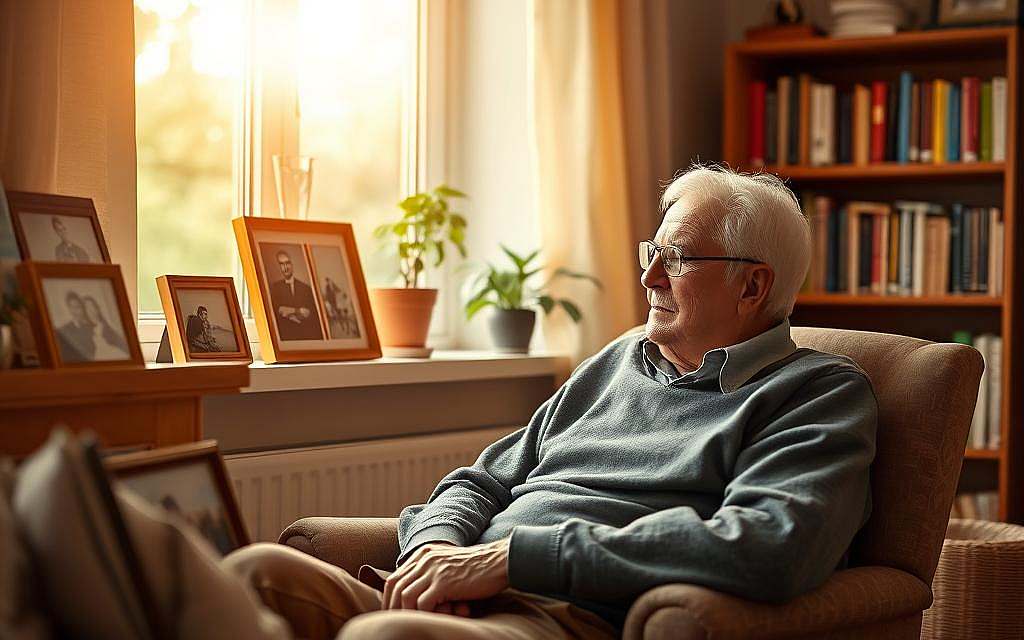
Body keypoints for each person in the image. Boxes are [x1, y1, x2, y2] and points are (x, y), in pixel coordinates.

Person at [224, 164, 878, 640]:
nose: (648, 275)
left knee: (385, 639)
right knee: (252, 572)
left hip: (562, 618)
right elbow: (480, 480)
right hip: (456, 597)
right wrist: (435, 554)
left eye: (675, 259)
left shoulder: (816, 395)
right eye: (652, 252)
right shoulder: (618, 362)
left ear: (752, 285)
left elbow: (768, 546)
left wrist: (510, 559)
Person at [268, 249, 323, 341]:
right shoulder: (275, 288)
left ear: (292, 264)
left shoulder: (305, 288)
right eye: (282, 264)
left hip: (304, 336)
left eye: (287, 263)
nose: (285, 267)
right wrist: (298, 310)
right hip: (286, 336)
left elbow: (308, 313)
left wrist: (289, 312)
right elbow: (279, 310)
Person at [82, 296, 128, 360]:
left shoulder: (107, 324)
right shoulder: (86, 329)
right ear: (85, 311)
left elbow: (119, 340)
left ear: (97, 308)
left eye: (92, 306)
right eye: (87, 307)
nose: (91, 310)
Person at [55, 292, 95, 362]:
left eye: (78, 307)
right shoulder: (62, 330)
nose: (75, 311)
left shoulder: (92, 327)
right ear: (69, 309)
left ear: (82, 308)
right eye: (72, 307)